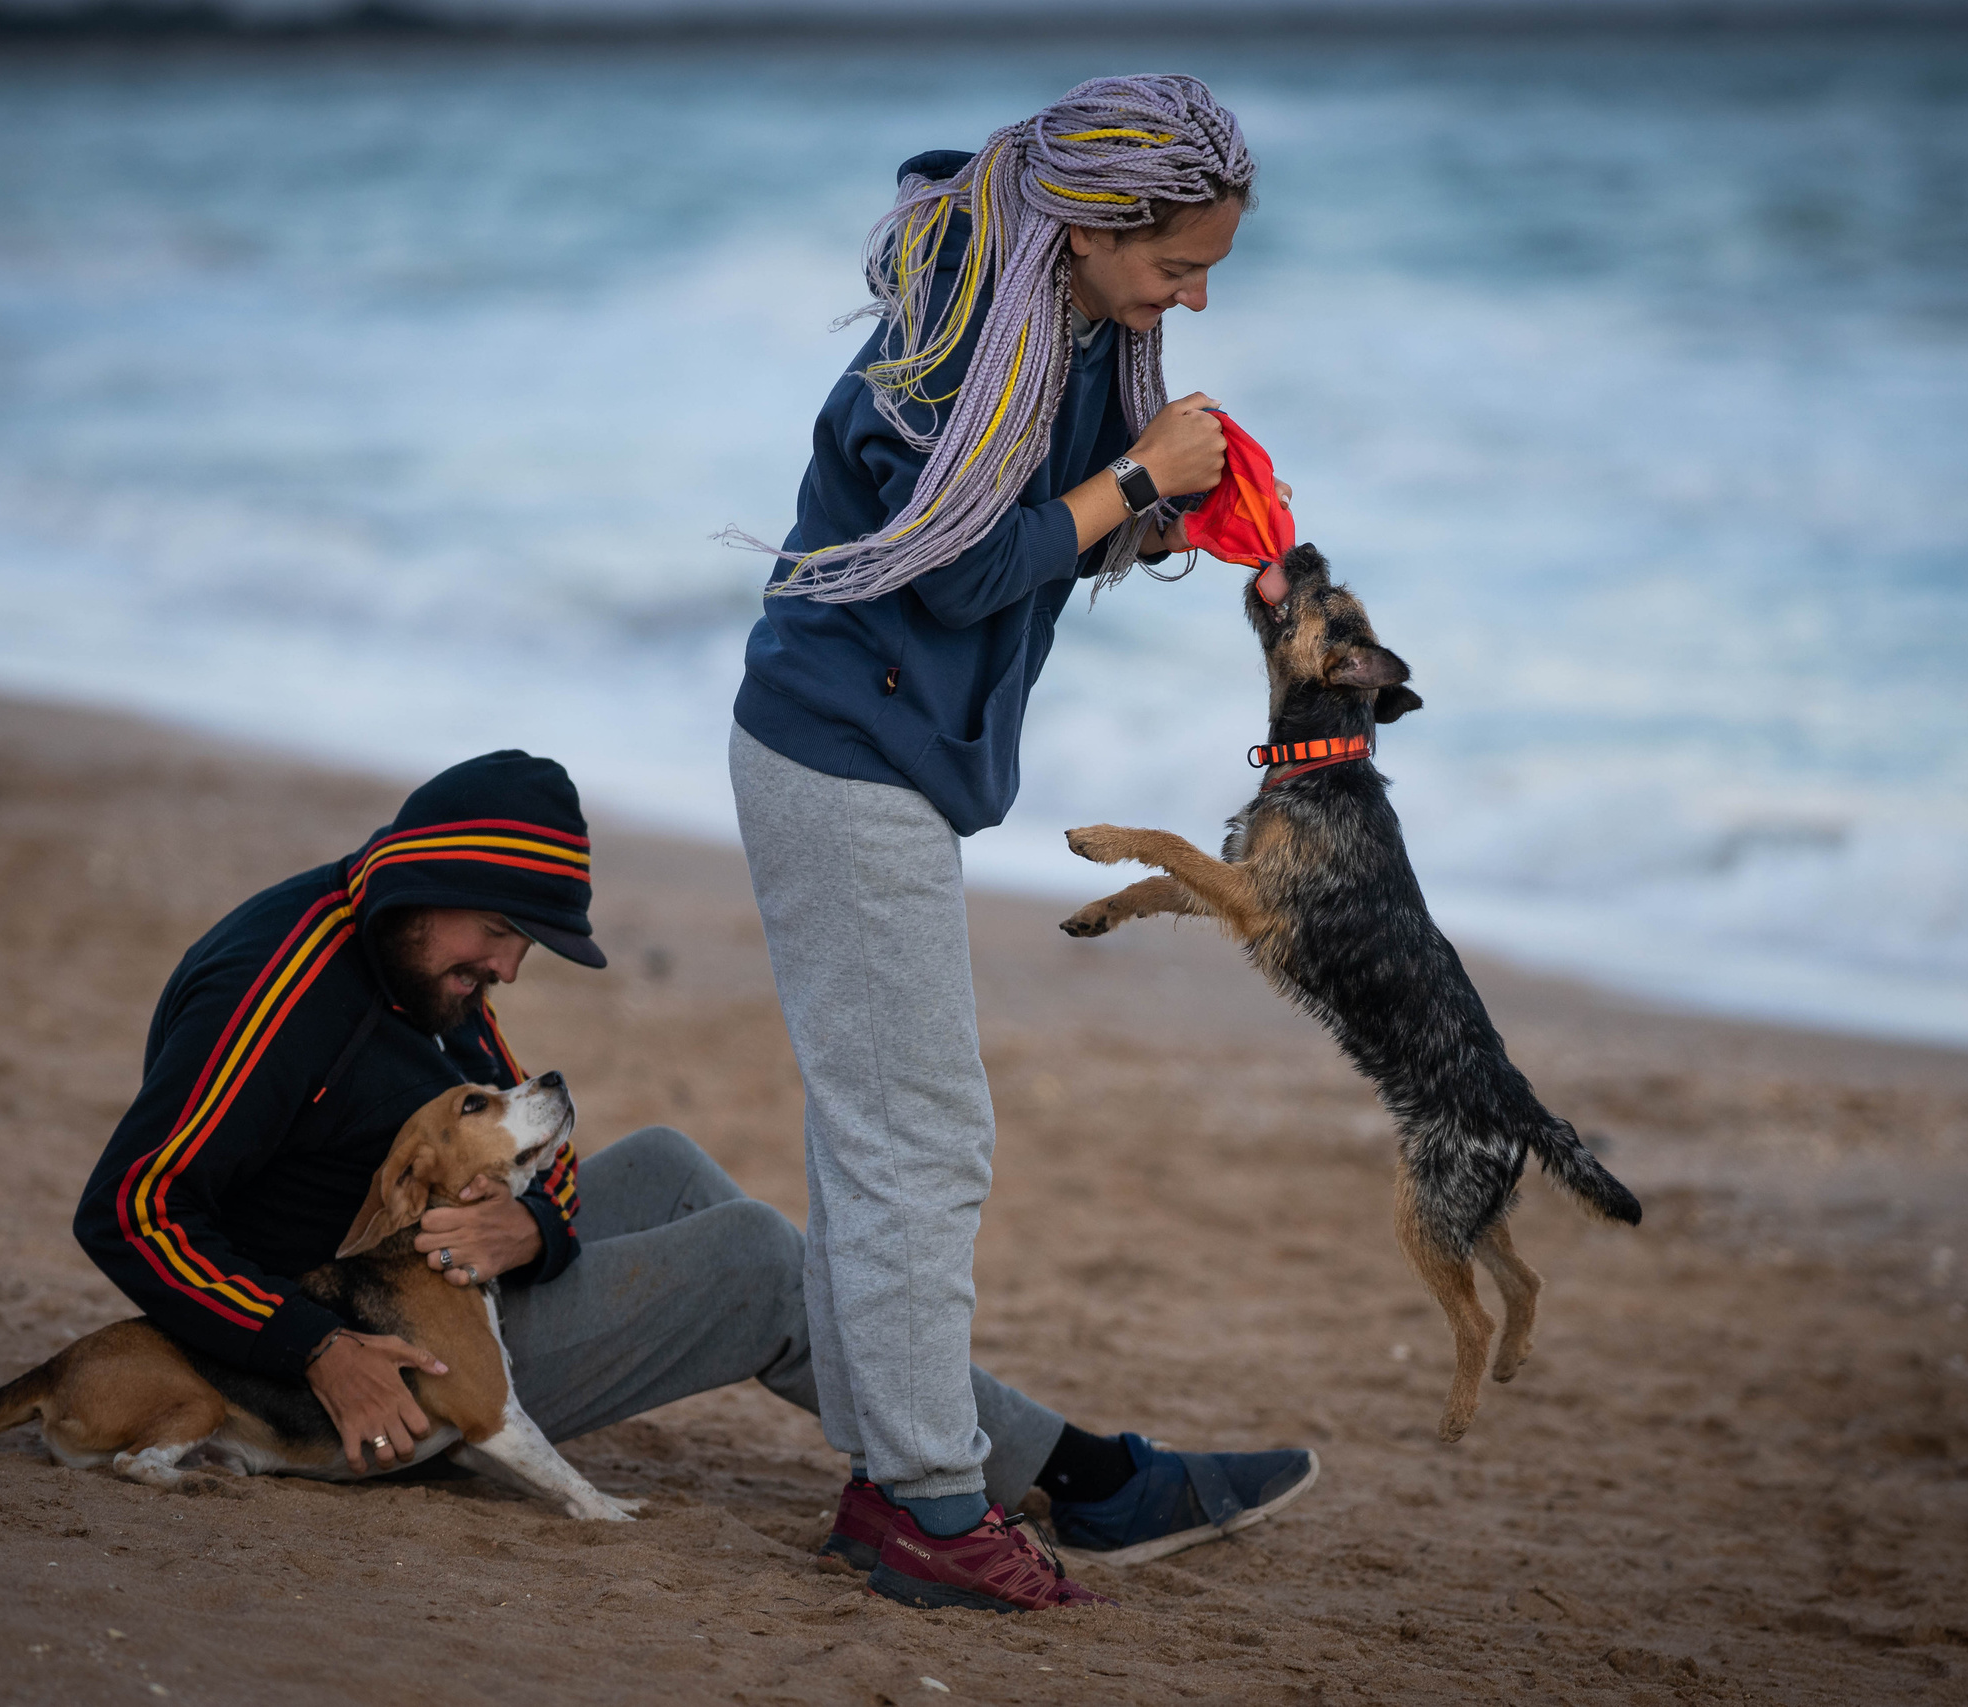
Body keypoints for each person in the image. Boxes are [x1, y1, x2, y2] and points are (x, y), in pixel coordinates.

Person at [74, 751, 1313, 1614]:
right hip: (360, 1378)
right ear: (425, 885)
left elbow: (542, 1153)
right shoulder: (277, 993)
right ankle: (1079, 1479)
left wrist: (532, 1234)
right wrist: (313, 1351)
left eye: (522, 948)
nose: (503, 969)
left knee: (665, 1166)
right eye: (498, 935)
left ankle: (1001, 1457)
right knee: (755, 1263)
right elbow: (130, 1208)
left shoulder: (420, 971)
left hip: (423, 1289)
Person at [726, 75, 1313, 1613]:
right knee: (921, 1138)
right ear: (1094, 224)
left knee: (878, 1135)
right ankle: (922, 1500)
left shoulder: (1058, 318)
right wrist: (1138, 477)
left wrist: (1189, 515)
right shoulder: (949, 335)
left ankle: (892, 1475)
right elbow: (964, 569)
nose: (1188, 296)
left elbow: (1035, 530)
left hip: (873, 754)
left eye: (1209, 272)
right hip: (843, 760)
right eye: (1176, 265)